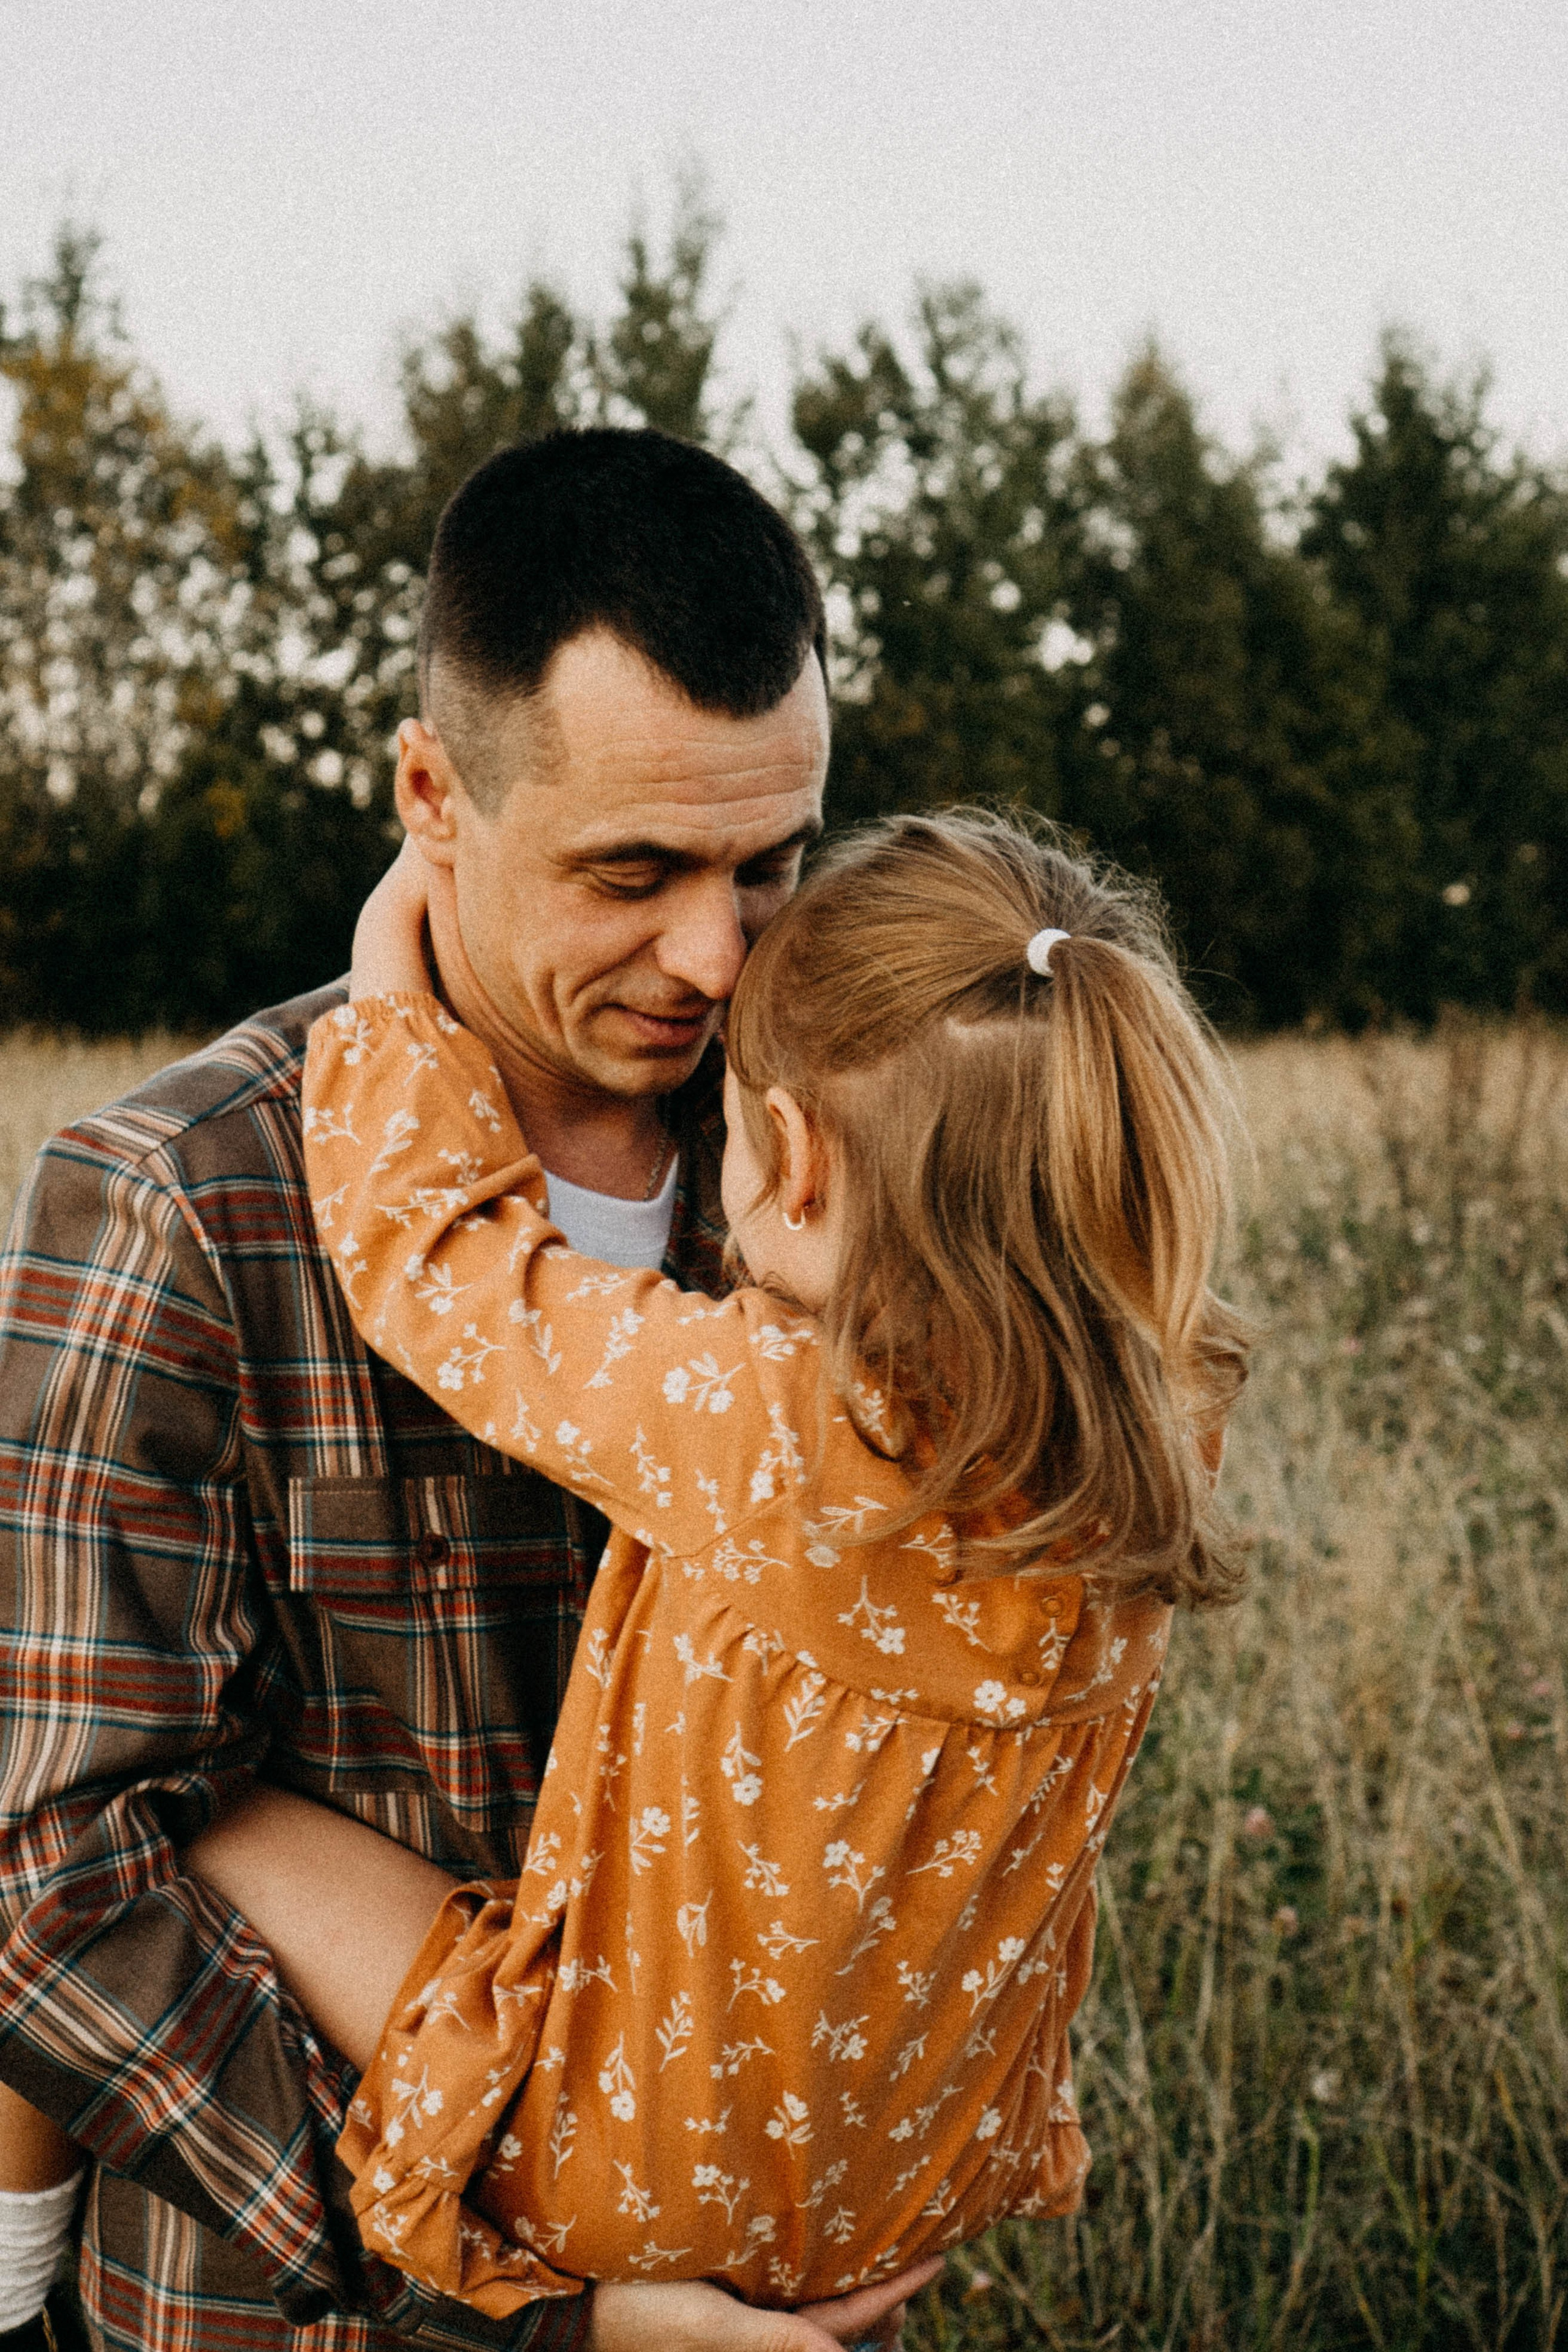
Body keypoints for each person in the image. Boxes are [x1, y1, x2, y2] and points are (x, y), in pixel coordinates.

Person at [0, 429, 930, 2352]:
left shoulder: (862, 1185)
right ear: (434, 793)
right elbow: (50, 1883)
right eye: (634, 871)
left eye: (773, 865)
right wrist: (541, 2304)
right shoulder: (182, 1202)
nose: (714, 952)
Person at [174, 807, 1247, 2320]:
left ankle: (11, 2255)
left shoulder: (775, 1424)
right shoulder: (1159, 1446)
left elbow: (440, 1272)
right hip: (888, 2196)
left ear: (790, 1161)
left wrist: (386, 982)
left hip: (622, 2174)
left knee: (209, 1820)